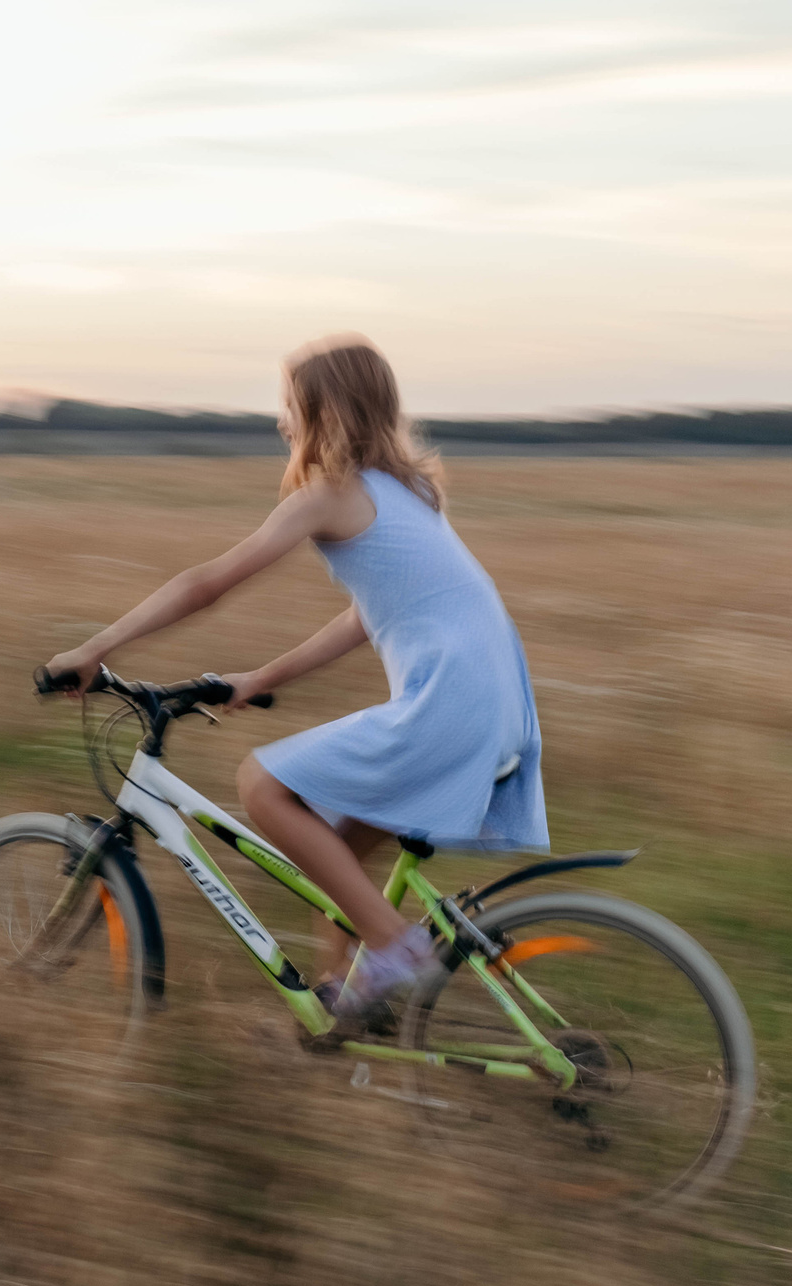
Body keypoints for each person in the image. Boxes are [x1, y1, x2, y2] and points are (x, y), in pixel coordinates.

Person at [42, 333, 547, 1034]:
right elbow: (366, 618)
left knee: (261, 785)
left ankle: (397, 953)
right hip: (498, 707)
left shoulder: (328, 493)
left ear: (325, 412)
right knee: (336, 844)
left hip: (450, 706)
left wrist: (97, 647)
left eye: (289, 405)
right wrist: (261, 676)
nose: (281, 420)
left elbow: (208, 584)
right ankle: (347, 1000)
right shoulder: (409, 492)